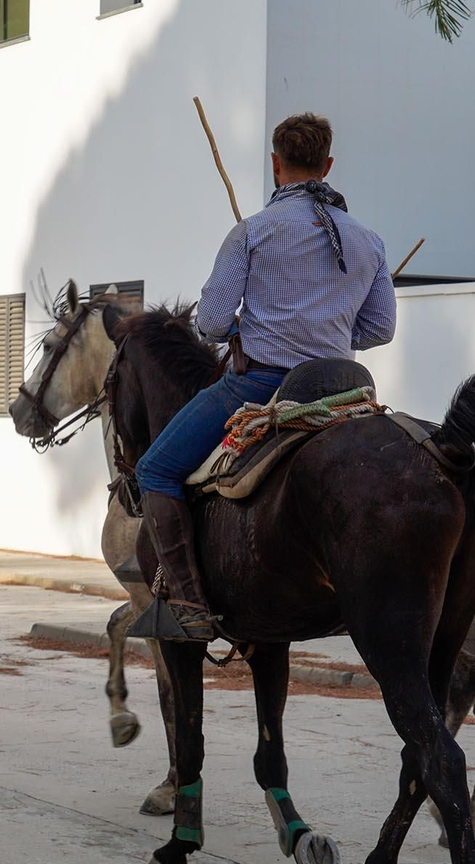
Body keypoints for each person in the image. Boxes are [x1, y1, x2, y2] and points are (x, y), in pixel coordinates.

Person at [133, 113, 394, 641]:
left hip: (260, 387)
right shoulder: (369, 240)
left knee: (155, 470)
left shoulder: (251, 231)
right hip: (342, 389)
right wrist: (331, 329)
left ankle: (188, 605)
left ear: (276, 165)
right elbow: (380, 328)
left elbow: (208, 324)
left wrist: (244, 325)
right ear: (328, 165)